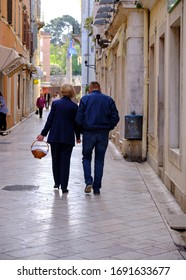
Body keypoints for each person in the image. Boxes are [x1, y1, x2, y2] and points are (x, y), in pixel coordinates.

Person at [75, 81, 120, 195]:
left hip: (88, 133)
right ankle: (97, 187)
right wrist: (108, 127)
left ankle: (88, 181)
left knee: (86, 158)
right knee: (99, 160)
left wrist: (81, 131)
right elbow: (115, 117)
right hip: (103, 134)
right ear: (99, 88)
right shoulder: (108, 100)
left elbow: (78, 118)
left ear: (90, 89)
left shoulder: (85, 100)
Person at [36, 84, 81, 193]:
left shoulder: (56, 104)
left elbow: (50, 120)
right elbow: (76, 124)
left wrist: (43, 134)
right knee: (65, 161)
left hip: (55, 137)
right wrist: (78, 137)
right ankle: (64, 186)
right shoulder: (74, 106)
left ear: (62, 91)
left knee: (55, 160)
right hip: (67, 138)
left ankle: (57, 182)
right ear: (72, 92)